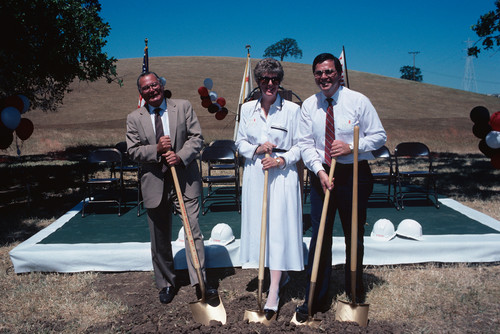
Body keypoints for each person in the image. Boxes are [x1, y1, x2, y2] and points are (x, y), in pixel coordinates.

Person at [295, 53, 386, 320]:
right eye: (319, 73)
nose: (324, 77)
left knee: (353, 235)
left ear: (339, 73)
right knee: (319, 236)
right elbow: (305, 144)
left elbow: (379, 136)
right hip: (321, 175)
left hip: (354, 175)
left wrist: (351, 147)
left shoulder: (358, 101)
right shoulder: (309, 106)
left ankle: (354, 292)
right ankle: (316, 298)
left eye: (329, 72)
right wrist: (320, 171)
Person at [126, 71, 216, 304]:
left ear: (161, 85)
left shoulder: (183, 107)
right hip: (154, 183)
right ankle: (166, 283)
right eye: (146, 88)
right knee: (159, 237)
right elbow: (133, 151)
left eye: (154, 85)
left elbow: (197, 138)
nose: (152, 90)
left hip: (184, 180)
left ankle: (201, 282)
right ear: (141, 93)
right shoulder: (135, 117)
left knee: (192, 231)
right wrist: (155, 149)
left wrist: (181, 156)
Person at [236, 58, 304, 319]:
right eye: (265, 79)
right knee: (261, 227)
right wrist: (255, 149)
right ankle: (280, 274)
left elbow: (299, 146)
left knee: (277, 228)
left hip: (282, 176)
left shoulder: (292, 111)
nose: (270, 84)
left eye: (275, 80)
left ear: (280, 82)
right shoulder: (247, 109)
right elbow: (240, 142)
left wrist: (280, 159)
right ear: (258, 81)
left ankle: (274, 290)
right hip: (256, 174)